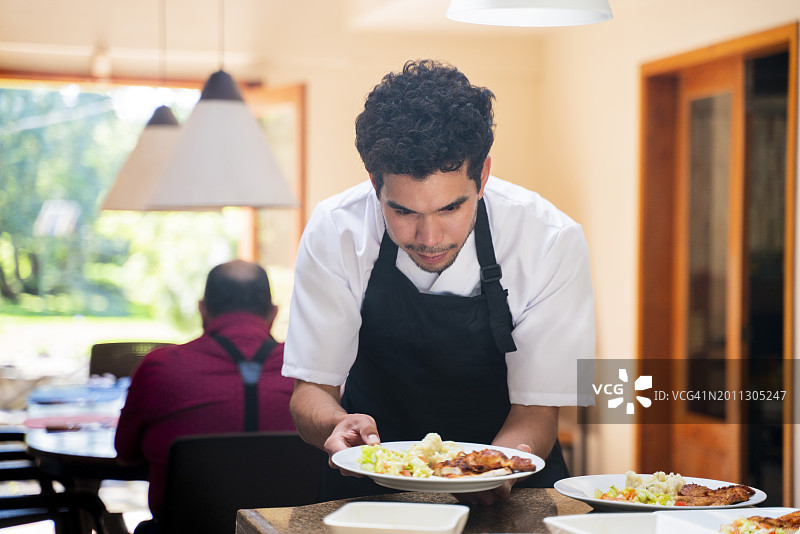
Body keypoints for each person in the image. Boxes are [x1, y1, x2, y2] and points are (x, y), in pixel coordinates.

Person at [282, 59, 595, 505]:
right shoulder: (336, 229)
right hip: (373, 487)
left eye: (450, 208)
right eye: (404, 212)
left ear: (482, 176)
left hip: (504, 482)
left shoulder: (548, 239)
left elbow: (537, 410)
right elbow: (311, 391)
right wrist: (335, 425)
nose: (429, 239)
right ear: (375, 183)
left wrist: (491, 469)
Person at [115, 259, 295, 529]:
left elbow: (125, 452)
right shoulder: (309, 375)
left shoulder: (160, 368)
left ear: (202, 310)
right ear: (274, 313)